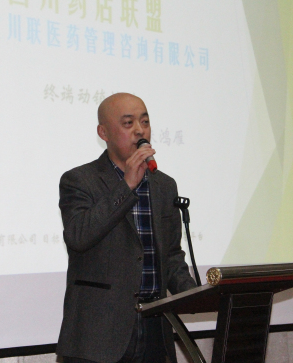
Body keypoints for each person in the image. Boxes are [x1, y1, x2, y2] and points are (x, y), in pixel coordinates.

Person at [56, 93, 196, 363]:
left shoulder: (164, 185)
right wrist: (126, 186)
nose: (140, 131)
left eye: (145, 122)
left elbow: (171, 256)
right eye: (129, 123)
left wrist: (194, 295)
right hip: (98, 334)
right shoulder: (79, 180)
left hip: (155, 327)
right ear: (103, 133)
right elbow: (78, 236)